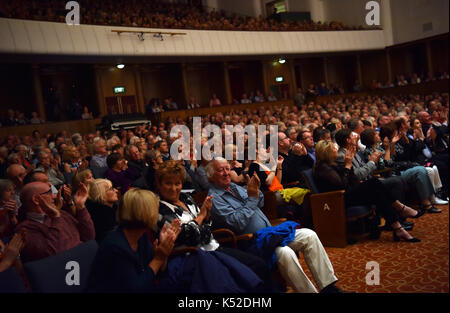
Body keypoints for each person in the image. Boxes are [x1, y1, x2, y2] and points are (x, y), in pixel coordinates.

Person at [208, 157, 347, 293]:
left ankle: (329, 288)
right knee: (284, 253)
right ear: (211, 176)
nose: (226, 173)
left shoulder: (234, 187)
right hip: (251, 243)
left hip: (270, 235)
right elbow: (236, 223)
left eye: (228, 168)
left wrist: (255, 190)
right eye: (221, 170)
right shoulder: (215, 199)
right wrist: (252, 197)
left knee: (309, 235)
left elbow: (260, 200)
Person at [155, 160, 277, 292]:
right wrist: (201, 217)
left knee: (258, 265)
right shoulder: (159, 208)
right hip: (193, 257)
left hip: (213, 247)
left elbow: (207, 228)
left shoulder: (186, 198)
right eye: (168, 183)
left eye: (177, 183)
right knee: (243, 276)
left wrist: (206, 218)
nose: (174, 188)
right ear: (159, 185)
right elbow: (184, 236)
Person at [313, 140, 421, 243]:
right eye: (334, 148)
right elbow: (341, 185)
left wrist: (348, 166)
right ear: (327, 152)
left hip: (345, 195)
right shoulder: (322, 168)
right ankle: (400, 208)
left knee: (377, 193)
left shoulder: (333, 164)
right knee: (374, 184)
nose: (336, 150)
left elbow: (353, 181)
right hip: (336, 199)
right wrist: (347, 165)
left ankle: (398, 227)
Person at [86, 189, 181, 293]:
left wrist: (163, 251)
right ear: (145, 214)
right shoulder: (114, 247)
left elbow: (156, 274)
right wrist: (158, 259)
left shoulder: (141, 236)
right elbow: (136, 289)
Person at [14, 181, 95, 262]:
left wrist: (81, 207)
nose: (54, 196)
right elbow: (56, 253)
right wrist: (56, 218)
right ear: (36, 199)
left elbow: (88, 237)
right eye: (49, 193)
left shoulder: (62, 214)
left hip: (84, 259)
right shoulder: (25, 230)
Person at [86, 179, 118, 243]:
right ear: (101, 195)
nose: (116, 191)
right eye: (111, 189)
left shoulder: (114, 208)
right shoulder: (102, 217)